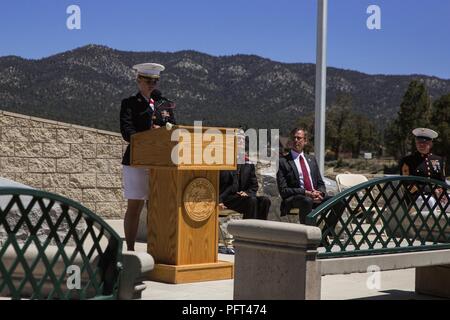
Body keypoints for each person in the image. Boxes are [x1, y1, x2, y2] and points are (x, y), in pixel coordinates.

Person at [120, 62, 176, 251]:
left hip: (161, 162)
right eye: (148, 80)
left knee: (158, 206)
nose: (152, 84)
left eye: (156, 81)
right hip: (137, 160)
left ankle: (158, 249)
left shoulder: (164, 103)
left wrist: (164, 132)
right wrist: (150, 133)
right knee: (135, 207)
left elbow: (175, 128)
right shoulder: (129, 103)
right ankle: (130, 249)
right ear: (138, 80)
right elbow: (127, 132)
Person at [277, 128, 343, 227]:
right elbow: (284, 190)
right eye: (293, 138)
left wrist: (320, 193)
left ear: (305, 141)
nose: (296, 140)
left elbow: (320, 183)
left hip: (314, 197)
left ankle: (326, 234)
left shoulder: (311, 160)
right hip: (295, 199)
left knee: (339, 201)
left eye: (299, 138)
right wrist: (306, 193)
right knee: (307, 201)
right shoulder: (283, 161)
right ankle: (308, 235)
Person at [219, 135, 271, 220]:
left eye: (243, 140)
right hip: (227, 198)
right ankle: (247, 231)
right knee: (252, 201)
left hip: (242, 198)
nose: (241, 141)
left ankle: (260, 230)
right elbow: (216, 184)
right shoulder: (224, 161)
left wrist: (247, 193)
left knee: (265, 201)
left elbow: (254, 186)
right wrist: (219, 201)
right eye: (239, 139)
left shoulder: (248, 163)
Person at [399, 128, 447, 207]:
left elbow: (442, 181)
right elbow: (408, 184)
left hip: (436, 195)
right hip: (415, 197)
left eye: (425, 142)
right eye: (418, 142)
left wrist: (441, 191)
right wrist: (431, 191)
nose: (421, 145)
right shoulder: (407, 161)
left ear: (431, 143)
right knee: (430, 201)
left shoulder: (439, 160)